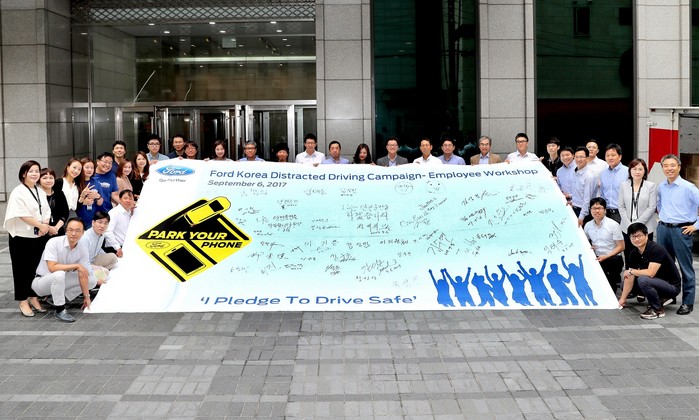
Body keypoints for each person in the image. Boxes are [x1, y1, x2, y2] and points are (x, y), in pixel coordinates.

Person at [4, 160, 51, 317]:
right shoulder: (18, 192)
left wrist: (45, 224)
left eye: (37, 171)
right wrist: (41, 225)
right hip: (21, 237)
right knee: (21, 270)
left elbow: (46, 210)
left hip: (38, 235)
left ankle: (33, 296)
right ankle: (22, 300)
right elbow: (21, 214)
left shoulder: (39, 190)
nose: (34, 174)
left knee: (34, 269)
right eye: (31, 171)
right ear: (24, 174)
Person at [656, 154, 699, 315]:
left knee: (685, 267)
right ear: (662, 168)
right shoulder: (661, 186)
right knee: (665, 266)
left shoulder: (689, 188)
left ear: (679, 167)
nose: (669, 168)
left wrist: (695, 226)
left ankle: (687, 302)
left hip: (681, 231)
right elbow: (659, 205)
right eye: (666, 166)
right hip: (663, 229)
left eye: (673, 165)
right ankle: (668, 295)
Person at [32, 217, 97, 322]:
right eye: (70, 230)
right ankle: (60, 310)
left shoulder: (83, 249)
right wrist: (76, 266)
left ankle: (56, 297)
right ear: (66, 230)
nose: (73, 233)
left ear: (83, 233)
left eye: (77, 230)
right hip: (41, 282)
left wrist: (87, 297)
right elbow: (52, 267)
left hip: (60, 279)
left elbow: (83, 273)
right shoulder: (53, 242)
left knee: (92, 279)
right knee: (59, 274)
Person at [619, 222, 681, 320]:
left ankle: (657, 309)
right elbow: (629, 275)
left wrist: (631, 271)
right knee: (624, 285)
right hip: (655, 282)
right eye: (633, 237)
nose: (636, 239)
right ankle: (661, 298)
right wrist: (622, 299)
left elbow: (650, 273)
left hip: (671, 286)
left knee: (643, 280)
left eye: (639, 236)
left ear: (646, 235)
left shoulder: (656, 249)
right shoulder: (634, 253)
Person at [618, 158, 657, 259]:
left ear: (645, 171)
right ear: (630, 171)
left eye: (640, 169)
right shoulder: (623, 185)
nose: (637, 172)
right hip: (627, 227)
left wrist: (638, 224)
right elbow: (621, 206)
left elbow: (652, 207)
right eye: (634, 169)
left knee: (645, 256)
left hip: (645, 226)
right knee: (629, 255)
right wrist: (629, 225)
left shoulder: (651, 186)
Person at [584, 197, 625, 293]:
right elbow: (586, 242)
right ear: (590, 210)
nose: (596, 211)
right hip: (597, 257)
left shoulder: (613, 225)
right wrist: (589, 247)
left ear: (605, 210)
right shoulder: (588, 225)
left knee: (609, 285)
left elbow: (621, 246)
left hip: (612, 257)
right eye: (594, 208)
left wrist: (606, 256)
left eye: (599, 208)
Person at [79, 211, 118, 285]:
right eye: (100, 222)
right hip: (84, 265)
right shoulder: (85, 238)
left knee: (113, 258)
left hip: (93, 260)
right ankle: (92, 279)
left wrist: (100, 263)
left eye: (105, 223)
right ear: (93, 223)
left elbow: (98, 249)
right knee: (106, 272)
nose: (102, 226)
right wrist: (96, 268)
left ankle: (96, 275)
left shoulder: (101, 234)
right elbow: (81, 262)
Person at [599, 144, 627, 224]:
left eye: (613, 155)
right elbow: (602, 193)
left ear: (620, 156)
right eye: (607, 155)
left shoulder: (627, 172)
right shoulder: (603, 173)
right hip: (606, 213)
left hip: (622, 213)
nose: (610, 158)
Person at [104, 189, 136, 257]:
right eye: (125, 198)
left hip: (126, 247)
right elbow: (107, 231)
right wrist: (117, 248)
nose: (128, 200)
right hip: (114, 249)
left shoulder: (129, 212)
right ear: (120, 199)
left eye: (130, 199)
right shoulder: (114, 213)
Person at [39, 168, 69, 237]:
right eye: (45, 178)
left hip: (58, 231)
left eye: (51, 178)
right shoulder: (37, 195)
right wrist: (49, 229)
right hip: (41, 232)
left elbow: (65, 213)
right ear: (39, 180)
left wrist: (56, 228)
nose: (48, 180)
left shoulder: (59, 193)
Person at [76, 157, 106, 229]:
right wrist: (82, 201)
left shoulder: (96, 183)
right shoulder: (76, 182)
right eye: (87, 167)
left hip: (92, 218)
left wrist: (97, 196)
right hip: (78, 218)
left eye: (92, 168)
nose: (89, 170)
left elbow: (100, 203)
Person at [571, 146, 596, 226]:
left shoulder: (589, 176)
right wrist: (572, 201)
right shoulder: (575, 172)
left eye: (581, 157)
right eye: (576, 157)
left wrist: (581, 216)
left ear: (587, 158)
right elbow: (578, 191)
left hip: (583, 212)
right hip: (574, 208)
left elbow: (587, 198)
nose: (578, 159)